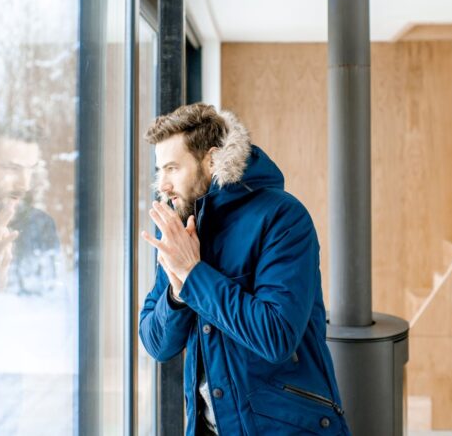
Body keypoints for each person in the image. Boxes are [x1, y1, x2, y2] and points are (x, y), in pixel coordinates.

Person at [138, 104, 351, 435]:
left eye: (172, 168)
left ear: (209, 160)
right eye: (159, 170)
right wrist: (178, 292)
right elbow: (156, 343)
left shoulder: (283, 217)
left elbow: (276, 336)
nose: (161, 185)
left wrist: (194, 274)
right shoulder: (183, 228)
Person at [0, 122, 61, 296]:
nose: (25, 185)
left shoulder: (42, 225)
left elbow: (47, 303)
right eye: (12, 168)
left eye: (31, 170)